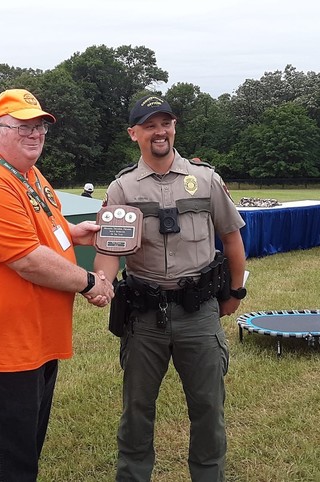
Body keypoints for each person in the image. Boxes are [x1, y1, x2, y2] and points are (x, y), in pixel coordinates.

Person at [0, 88, 114, 482]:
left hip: (35, 343)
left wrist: (73, 232)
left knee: (25, 453)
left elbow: (39, 225)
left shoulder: (27, 174)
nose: (35, 134)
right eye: (23, 127)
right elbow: (27, 260)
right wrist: (90, 282)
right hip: (5, 351)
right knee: (8, 466)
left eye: (40, 126)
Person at [93, 95, 247, 482]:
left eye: (166, 123)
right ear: (134, 134)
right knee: (137, 409)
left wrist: (236, 292)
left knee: (208, 408)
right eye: (149, 125)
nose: (159, 132)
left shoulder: (206, 179)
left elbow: (231, 237)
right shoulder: (122, 188)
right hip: (144, 317)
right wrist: (103, 283)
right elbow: (109, 250)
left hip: (199, 313)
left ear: (174, 127)